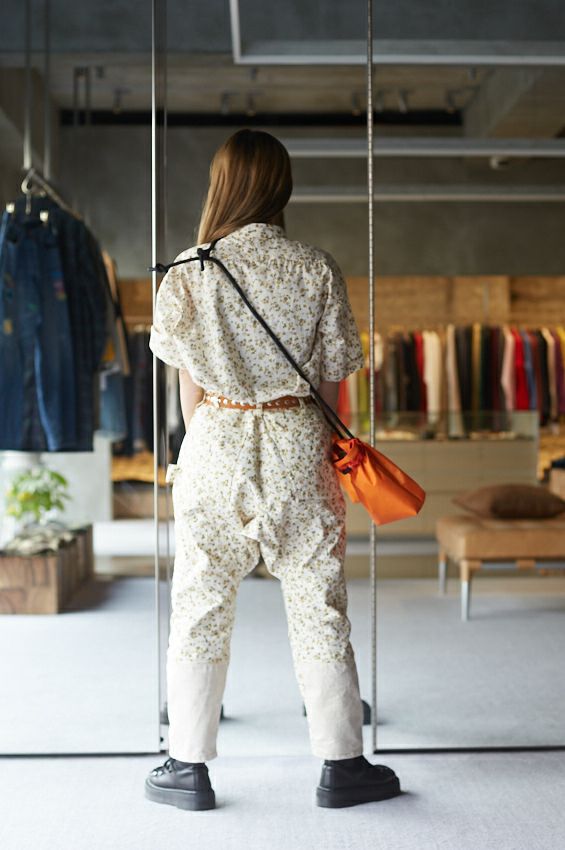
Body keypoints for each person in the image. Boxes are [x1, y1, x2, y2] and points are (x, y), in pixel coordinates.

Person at [144, 128, 401, 810]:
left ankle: (186, 766)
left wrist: (208, 441)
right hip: (298, 441)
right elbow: (333, 384)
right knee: (318, 600)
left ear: (221, 185)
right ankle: (342, 765)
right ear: (281, 187)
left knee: (200, 598)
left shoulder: (188, 271)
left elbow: (188, 387)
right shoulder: (315, 267)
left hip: (214, 440)